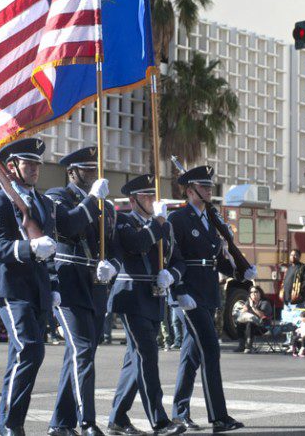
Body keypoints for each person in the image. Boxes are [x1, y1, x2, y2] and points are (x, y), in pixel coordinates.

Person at [0, 138, 58, 436]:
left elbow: (49, 249)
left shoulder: (45, 203)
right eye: (29, 163)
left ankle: (8, 425)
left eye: (37, 163)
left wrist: (54, 285)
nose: (35, 168)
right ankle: (12, 425)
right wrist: (29, 248)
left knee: (22, 356)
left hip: (37, 289)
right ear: (11, 167)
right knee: (30, 351)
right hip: (11, 287)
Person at [168, 165, 252, 433]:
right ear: (190, 191)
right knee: (210, 352)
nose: (209, 190)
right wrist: (179, 292)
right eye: (204, 187)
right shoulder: (178, 219)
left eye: (210, 187)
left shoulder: (211, 221)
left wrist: (239, 268)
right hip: (189, 294)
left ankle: (180, 413)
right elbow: (172, 257)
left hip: (208, 293)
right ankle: (218, 417)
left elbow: (217, 262)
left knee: (191, 357)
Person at [107, 174, 187, 436]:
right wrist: (159, 224)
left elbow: (178, 260)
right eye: (146, 196)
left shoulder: (162, 226)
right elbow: (136, 243)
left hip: (155, 298)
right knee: (147, 357)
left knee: (135, 360)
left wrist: (171, 276)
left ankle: (117, 418)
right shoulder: (123, 221)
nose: (152, 200)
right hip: (131, 297)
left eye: (152, 195)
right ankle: (159, 421)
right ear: (133, 200)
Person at [45, 146, 115, 436]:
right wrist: (92, 199)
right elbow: (69, 225)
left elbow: (113, 246)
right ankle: (87, 421)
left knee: (79, 353)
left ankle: (60, 424)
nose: (92, 174)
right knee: (83, 350)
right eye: (86, 169)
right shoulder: (56, 196)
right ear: (71, 172)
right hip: (68, 282)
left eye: (94, 169)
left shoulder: (106, 206)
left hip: (95, 286)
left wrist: (112, 266)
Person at [234, 286, 273, 353]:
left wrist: (253, 307)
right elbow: (243, 314)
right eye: (251, 292)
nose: (253, 294)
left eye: (255, 292)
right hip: (251, 326)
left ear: (260, 293)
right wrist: (244, 309)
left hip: (263, 326)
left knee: (250, 323)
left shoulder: (265, 303)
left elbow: (262, 315)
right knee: (239, 323)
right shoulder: (248, 302)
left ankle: (249, 346)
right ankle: (241, 345)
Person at [281, 249, 305, 324]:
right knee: (286, 322)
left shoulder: (303, 268)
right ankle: (289, 336)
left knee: (296, 322)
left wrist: (299, 293)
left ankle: (297, 335)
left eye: (295, 255)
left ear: (299, 257)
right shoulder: (289, 268)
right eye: (291, 255)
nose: (293, 256)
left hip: (297, 301)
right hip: (286, 301)